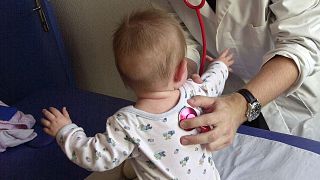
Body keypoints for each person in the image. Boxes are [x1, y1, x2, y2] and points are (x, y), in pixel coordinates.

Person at [41, 9, 234, 180]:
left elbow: (94, 156)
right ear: (181, 70)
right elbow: (213, 82)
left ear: (125, 80)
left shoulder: (127, 123)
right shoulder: (195, 93)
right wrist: (221, 65)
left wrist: (65, 131)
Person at [147, 0, 320, 150]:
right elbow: (179, 33)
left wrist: (241, 103)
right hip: (226, 98)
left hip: (295, 100)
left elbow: (301, 43)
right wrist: (183, 73)